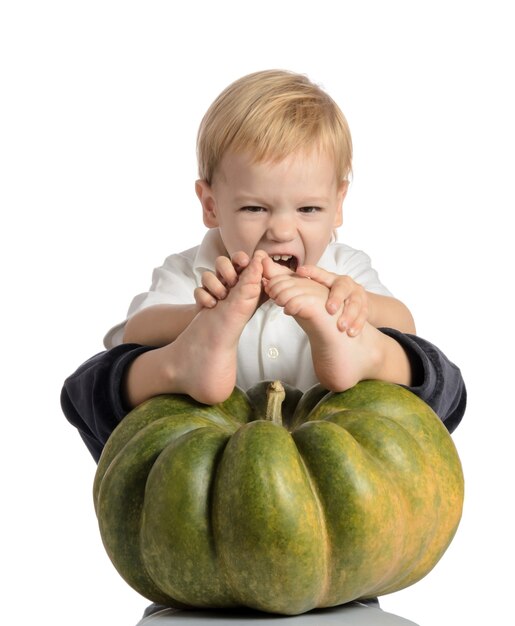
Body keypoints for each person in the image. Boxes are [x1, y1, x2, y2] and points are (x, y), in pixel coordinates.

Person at [61, 70, 466, 463]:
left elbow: (405, 321)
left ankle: (366, 356)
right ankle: (181, 365)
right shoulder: (198, 272)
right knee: (88, 386)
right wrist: (205, 318)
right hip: (216, 458)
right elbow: (137, 330)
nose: (282, 229)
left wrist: (356, 307)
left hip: (331, 453)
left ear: (338, 204)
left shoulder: (341, 270)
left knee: (434, 373)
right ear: (211, 205)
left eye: (309, 209)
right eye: (255, 208)